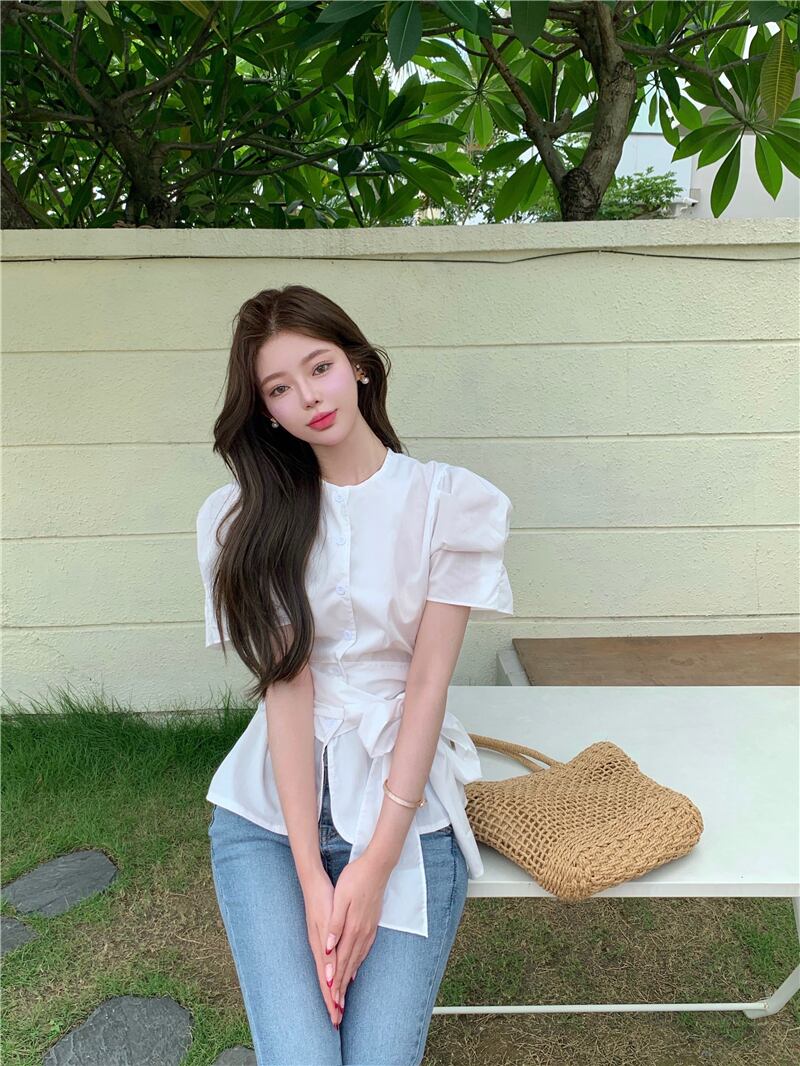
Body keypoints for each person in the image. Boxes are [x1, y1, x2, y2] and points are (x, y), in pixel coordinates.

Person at [196, 284, 514, 1065]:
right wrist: (312, 877)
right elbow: (288, 684)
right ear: (267, 412)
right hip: (269, 821)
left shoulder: (447, 502)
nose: (308, 396)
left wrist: (371, 868)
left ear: (360, 366)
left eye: (320, 367)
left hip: (406, 810)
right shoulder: (243, 518)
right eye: (279, 388)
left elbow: (427, 686)